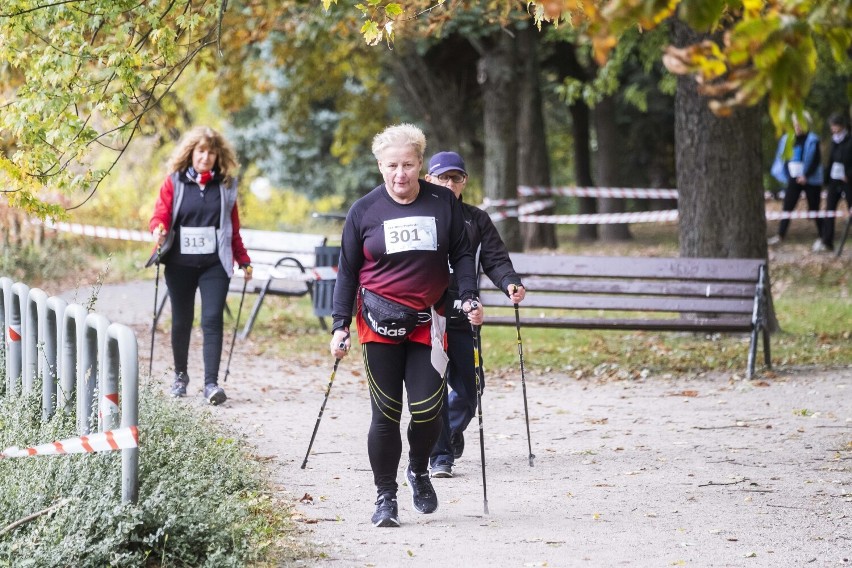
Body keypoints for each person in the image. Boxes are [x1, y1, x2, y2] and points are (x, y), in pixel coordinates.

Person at [329, 124, 483, 528]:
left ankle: (417, 470)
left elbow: (463, 254)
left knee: (428, 409)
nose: (401, 174)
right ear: (380, 166)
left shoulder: (442, 203)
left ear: (420, 165)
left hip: (427, 321)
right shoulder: (364, 210)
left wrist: (468, 295)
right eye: (392, 165)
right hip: (378, 324)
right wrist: (340, 325)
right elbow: (346, 271)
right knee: (386, 413)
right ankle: (385, 496)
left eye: (409, 165)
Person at [423, 151, 526, 479]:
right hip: (429, 318)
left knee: (471, 389)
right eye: (442, 177)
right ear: (429, 180)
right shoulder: (420, 216)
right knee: (433, 387)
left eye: (456, 178)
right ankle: (439, 456)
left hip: (467, 316)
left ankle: (451, 432)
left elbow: (495, 259)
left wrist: (509, 282)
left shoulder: (476, 219)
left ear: (464, 181)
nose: (449, 183)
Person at [149, 126, 252, 406]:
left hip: (214, 265)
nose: (205, 157)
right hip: (179, 263)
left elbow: (233, 229)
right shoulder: (175, 182)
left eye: (211, 152)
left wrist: (243, 259)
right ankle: (180, 377)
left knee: (212, 320)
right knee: (182, 320)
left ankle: (211, 384)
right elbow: (160, 214)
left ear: (219, 156)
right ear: (191, 153)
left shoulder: (226, 187)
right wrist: (158, 229)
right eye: (201, 151)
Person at [769, 112, 824, 247]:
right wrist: (789, 176)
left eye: (800, 124)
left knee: (814, 208)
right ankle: (780, 235)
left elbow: (816, 160)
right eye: (795, 125)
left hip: (810, 179)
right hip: (793, 178)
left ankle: (823, 236)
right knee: (788, 205)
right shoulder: (787, 139)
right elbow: (784, 159)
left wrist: (806, 176)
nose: (797, 127)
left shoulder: (813, 140)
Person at [819, 113, 852, 252]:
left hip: (848, 181)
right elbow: (830, 161)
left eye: (835, 126)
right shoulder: (833, 142)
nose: (834, 129)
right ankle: (827, 241)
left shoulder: (850, 140)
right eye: (832, 127)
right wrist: (826, 179)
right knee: (829, 209)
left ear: (842, 126)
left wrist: (849, 175)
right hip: (834, 180)